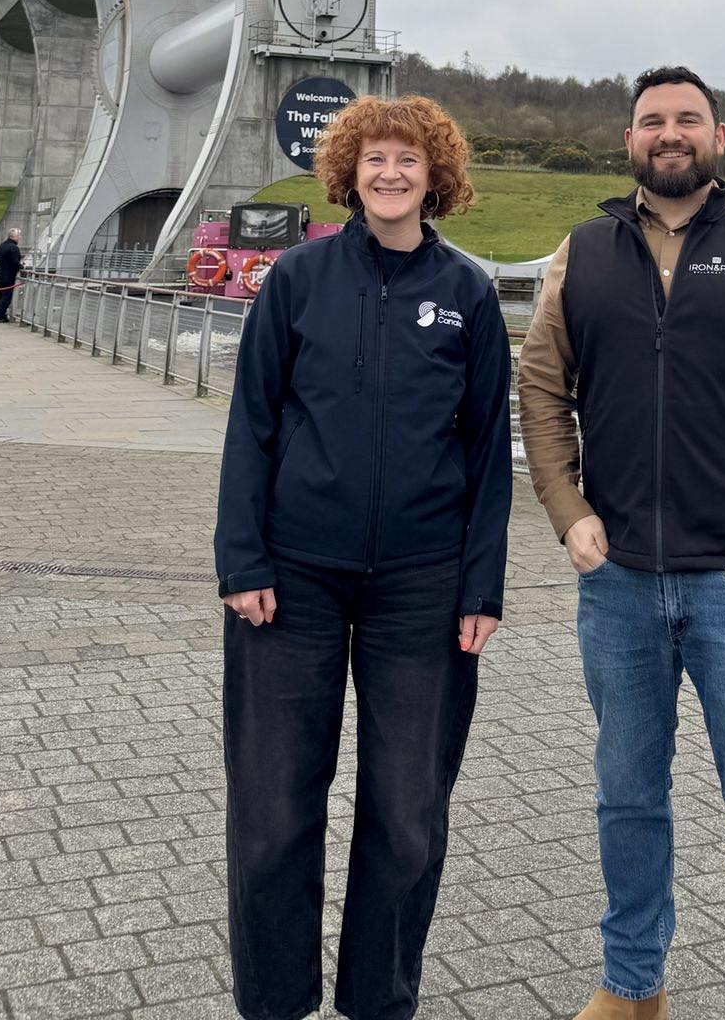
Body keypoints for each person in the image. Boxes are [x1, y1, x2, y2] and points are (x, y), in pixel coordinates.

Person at [518, 67, 725, 1020]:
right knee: (628, 795)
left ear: (719, 139)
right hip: (616, 582)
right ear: (628, 141)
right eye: (652, 121)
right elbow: (541, 391)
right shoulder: (579, 256)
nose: (670, 134)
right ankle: (633, 989)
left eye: (687, 120)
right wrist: (566, 507)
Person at [215, 95, 512, 1020]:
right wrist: (243, 561)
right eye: (375, 159)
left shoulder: (466, 295)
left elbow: (486, 450)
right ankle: (273, 1001)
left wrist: (481, 584)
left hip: (423, 588)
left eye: (409, 160)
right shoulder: (298, 281)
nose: (391, 174)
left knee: (406, 814)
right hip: (291, 579)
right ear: (349, 171)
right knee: (272, 811)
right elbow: (251, 428)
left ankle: (379, 1001)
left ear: (438, 176)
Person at [0, 228, 22, 321]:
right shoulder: (14, 248)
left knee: (0, 296)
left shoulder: (2, 245)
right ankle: (1, 316)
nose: (19, 238)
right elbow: (15, 262)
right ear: (15, 237)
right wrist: (21, 267)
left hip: (0, 275)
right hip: (8, 276)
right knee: (6, 297)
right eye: (18, 236)